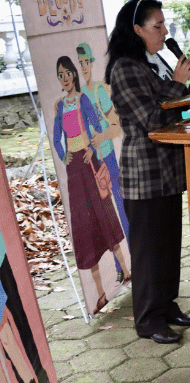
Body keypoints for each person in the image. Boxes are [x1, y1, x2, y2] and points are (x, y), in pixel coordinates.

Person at [106, 0, 190, 344]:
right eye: (157, 26)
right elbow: (152, 118)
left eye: (164, 24)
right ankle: (148, 320)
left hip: (166, 170)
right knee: (149, 251)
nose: (165, 32)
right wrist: (180, 84)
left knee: (167, 245)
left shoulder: (149, 63)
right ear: (136, 29)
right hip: (144, 172)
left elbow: (170, 98)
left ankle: (166, 307)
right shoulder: (124, 68)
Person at [53, 56, 130, 312]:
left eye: (67, 74)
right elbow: (56, 138)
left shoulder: (83, 99)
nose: (64, 79)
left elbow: (97, 125)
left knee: (105, 216)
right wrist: (65, 155)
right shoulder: (59, 106)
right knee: (85, 229)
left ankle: (127, 271)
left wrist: (91, 147)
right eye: (60, 75)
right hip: (74, 172)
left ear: (74, 75)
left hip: (90, 164)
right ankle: (99, 294)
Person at [75, 42, 128, 281]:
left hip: (107, 156)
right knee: (105, 214)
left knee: (121, 208)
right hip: (91, 163)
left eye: (87, 62)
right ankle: (119, 266)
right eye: (81, 64)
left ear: (92, 63)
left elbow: (116, 126)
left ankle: (134, 257)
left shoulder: (99, 91)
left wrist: (101, 136)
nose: (84, 67)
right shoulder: (77, 97)